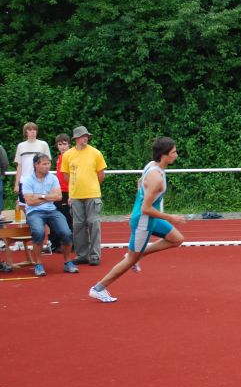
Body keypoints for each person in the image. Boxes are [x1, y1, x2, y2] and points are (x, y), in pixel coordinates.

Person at [89, 137, 186, 303]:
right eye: (173, 152)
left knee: (177, 239)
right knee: (130, 260)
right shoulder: (156, 178)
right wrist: (171, 217)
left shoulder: (151, 165)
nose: (176, 155)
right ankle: (98, 288)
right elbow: (146, 208)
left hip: (146, 217)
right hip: (144, 221)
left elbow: (139, 183)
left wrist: (135, 210)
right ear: (164, 155)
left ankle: (139, 254)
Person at [21, 154, 78, 276]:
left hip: (52, 210)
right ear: (36, 165)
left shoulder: (53, 178)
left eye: (48, 164)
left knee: (66, 232)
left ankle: (68, 262)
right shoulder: (27, 180)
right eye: (44, 164)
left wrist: (40, 196)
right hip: (34, 212)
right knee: (38, 232)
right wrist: (48, 197)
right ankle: (38, 264)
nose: (47, 166)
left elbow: (58, 197)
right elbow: (30, 201)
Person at [60, 126, 107, 266]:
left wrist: (92, 185)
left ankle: (95, 255)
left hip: (92, 194)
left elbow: (101, 175)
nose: (85, 138)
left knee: (94, 223)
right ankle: (81, 255)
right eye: (82, 136)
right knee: (78, 226)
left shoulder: (96, 153)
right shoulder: (67, 155)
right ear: (76, 138)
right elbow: (66, 175)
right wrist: (75, 188)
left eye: (86, 136)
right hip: (76, 195)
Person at [13, 122, 51, 209]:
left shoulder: (43, 144)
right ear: (25, 132)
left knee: (41, 203)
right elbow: (19, 166)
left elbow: (48, 163)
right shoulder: (21, 146)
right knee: (23, 205)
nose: (33, 131)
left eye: (34, 129)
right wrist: (16, 184)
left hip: (40, 181)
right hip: (24, 181)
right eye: (30, 130)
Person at [48, 134, 73, 253]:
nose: (62, 146)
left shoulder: (70, 157)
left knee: (68, 218)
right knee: (57, 217)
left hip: (68, 192)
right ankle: (57, 243)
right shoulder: (60, 157)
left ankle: (69, 244)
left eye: (64, 144)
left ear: (69, 144)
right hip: (59, 191)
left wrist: (71, 193)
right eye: (60, 144)